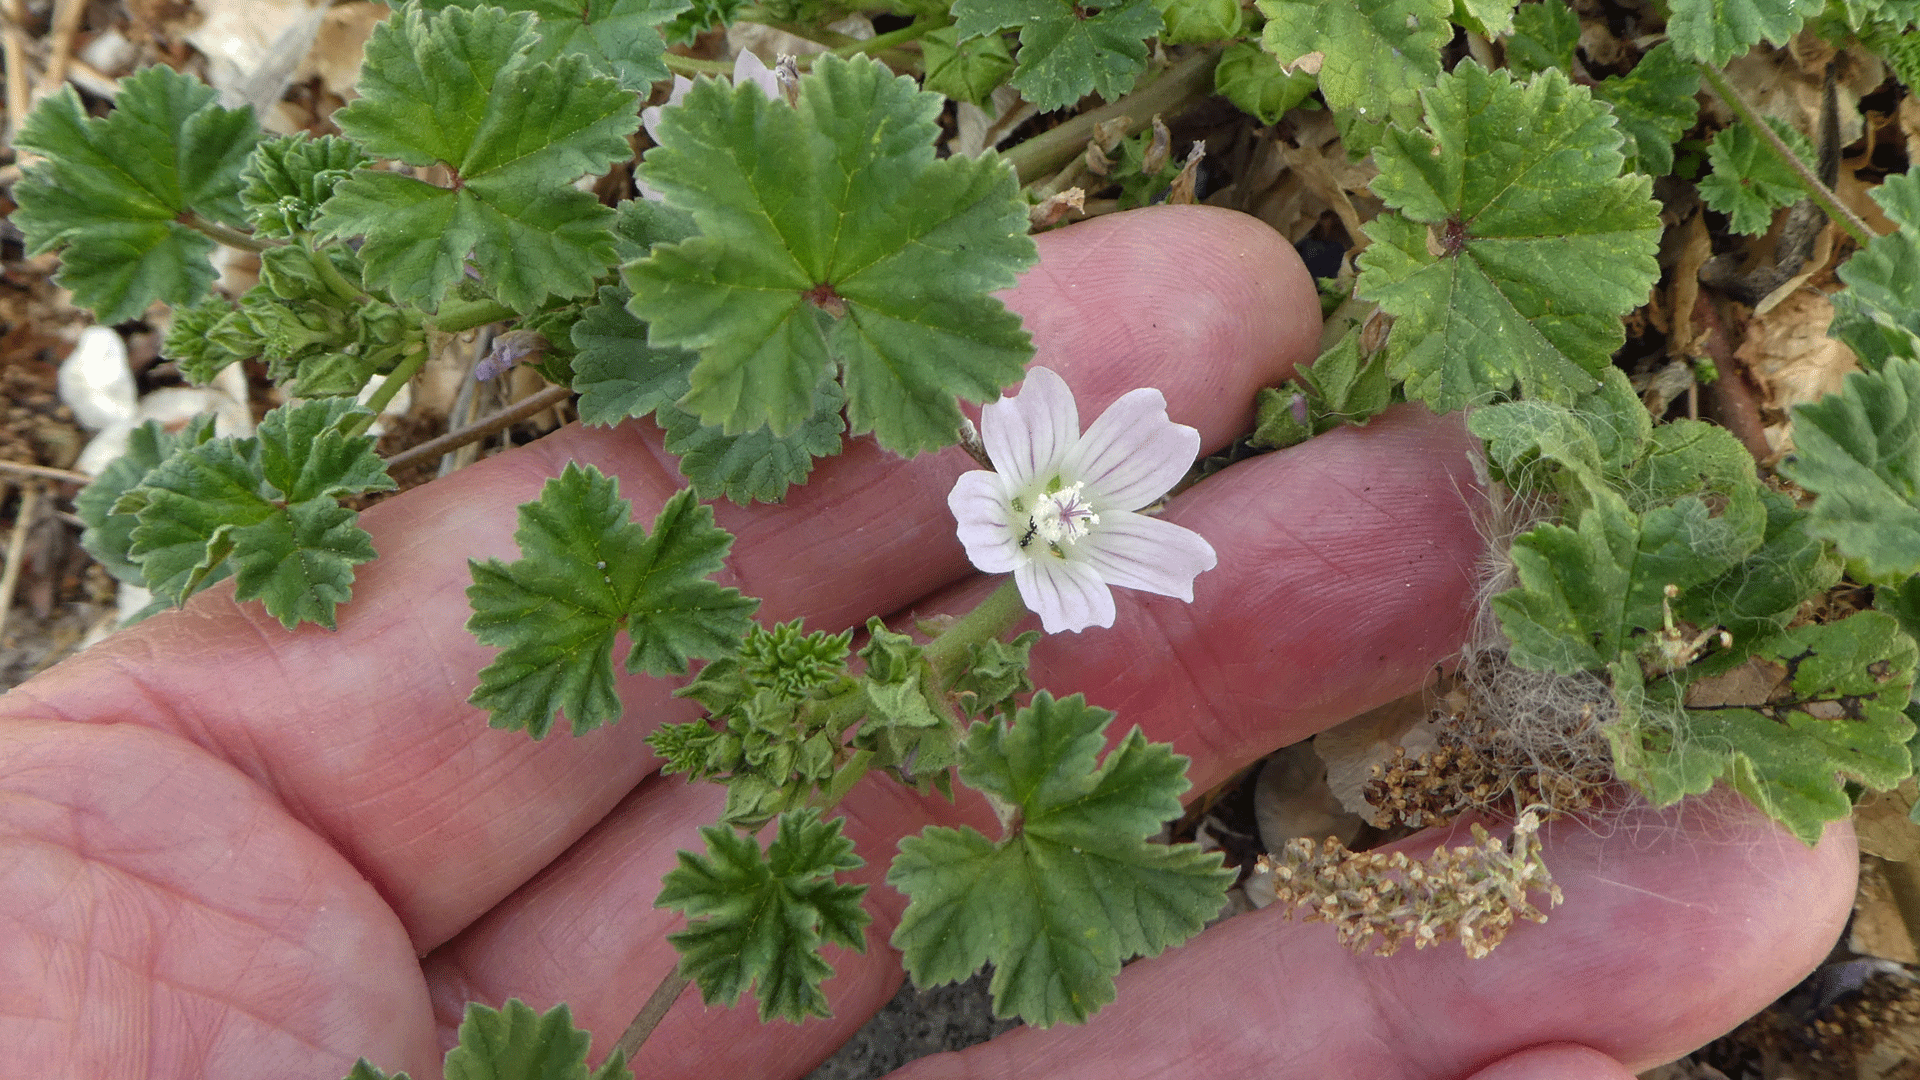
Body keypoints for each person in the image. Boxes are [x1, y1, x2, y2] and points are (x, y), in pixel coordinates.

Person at [0, 206, 1853, 1079]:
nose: (1055, 511)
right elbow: (1018, 525)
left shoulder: (1085, 510)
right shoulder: (1006, 512)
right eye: (1048, 498)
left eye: (1071, 505)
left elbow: (1078, 530)